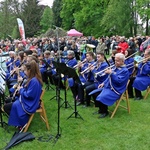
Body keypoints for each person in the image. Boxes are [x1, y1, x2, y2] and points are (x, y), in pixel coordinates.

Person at [3, 60, 43, 128]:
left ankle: (21, 123)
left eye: (25, 70)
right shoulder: (33, 79)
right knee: (8, 105)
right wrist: (22, 88)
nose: (24, 72)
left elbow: (29, 95)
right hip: (28, 101)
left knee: (6, 107)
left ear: (30, 70)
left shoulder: (34, 81)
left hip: (29, 104)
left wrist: (20, 89)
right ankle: (18, 120)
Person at [95, 53, 129, 118]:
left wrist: (111, 73)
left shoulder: (125, 71)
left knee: (102, 96)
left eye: (118, 61)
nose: (115, 62)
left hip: (116, 89)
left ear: (123, 61)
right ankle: (101, 110)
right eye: (115, 60)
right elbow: (109, 78)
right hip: (109, 86)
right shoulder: (115, 67)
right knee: (96, 92)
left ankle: (105, 112)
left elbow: (119, 81)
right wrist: (103, 83)